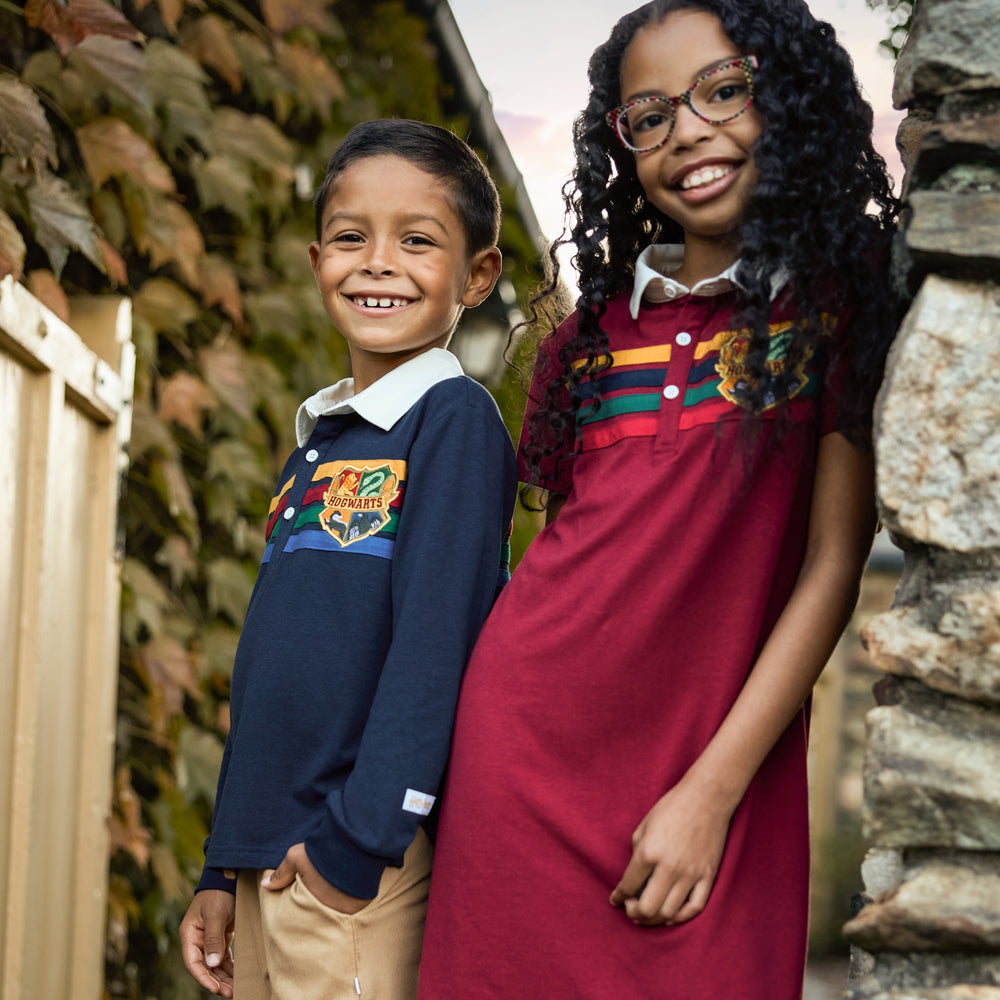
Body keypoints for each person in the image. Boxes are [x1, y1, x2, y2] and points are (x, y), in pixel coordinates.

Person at [416, 2, 899, 997]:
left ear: (789, 100)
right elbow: (566, 558)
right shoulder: (585, 337)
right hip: (518, 768)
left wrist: (710, 794)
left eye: (725, 91)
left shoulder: (833, 303)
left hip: (713, 781)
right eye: (648, 115)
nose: (687, 131)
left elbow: (832, 563)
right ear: (620, 145)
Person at [179, 119, 517, 1000]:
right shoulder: (317, 445)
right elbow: (272, 677)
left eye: (417, 240)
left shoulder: (452, 422)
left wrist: (359, 844)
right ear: (317, 257)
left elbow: (435, 647)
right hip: (266, 862)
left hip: (353, 874)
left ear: (477, 275)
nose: (376, 263)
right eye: (349, 237)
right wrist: (222, 868)